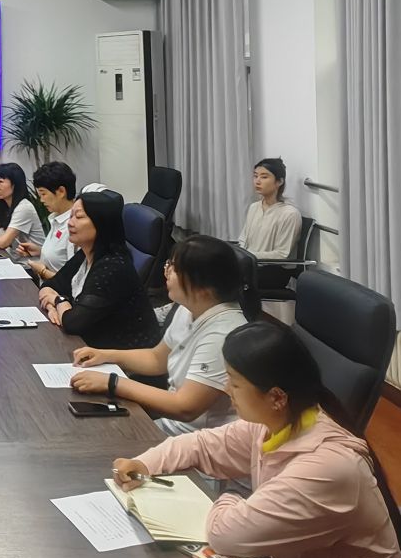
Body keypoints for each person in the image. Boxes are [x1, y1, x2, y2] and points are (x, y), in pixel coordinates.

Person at [112, 322, 401, 558]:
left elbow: (225, 534)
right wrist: (145, 463)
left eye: (235, 382)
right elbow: (202, 445)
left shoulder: (328, 467)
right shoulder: (278, 424)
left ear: (276, 397)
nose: (226, 389)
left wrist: (232, 497)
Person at [71, 235, 245, 434]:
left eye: (175, 269)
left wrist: (112, 383)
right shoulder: (190, 307)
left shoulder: (223, 335)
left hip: (196, 440)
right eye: (169, 264)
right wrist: (106, 355)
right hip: (169, 426)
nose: (167, 272)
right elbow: (157, 359)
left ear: (204, 289)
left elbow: (185, 407)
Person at [35, 188, 164, 359]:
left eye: (79, 217)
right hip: (90, 346)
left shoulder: (112, 268)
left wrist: (58, 300)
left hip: (124, 361)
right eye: (71, 216)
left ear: (101, 223)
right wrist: (53, 306)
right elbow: (50, 285)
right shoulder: (86, 253)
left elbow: (73, 323)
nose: (70, 223)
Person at [15, 160, 77, 281]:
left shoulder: (74, 226)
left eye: (43, 194)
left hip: (58, 291)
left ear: (61, 192)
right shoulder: (56, 219)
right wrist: (40, 251)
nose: (41, 200)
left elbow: (73, 281)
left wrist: (42, 271)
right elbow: (61, 258)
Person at [240, 156, 302, 260]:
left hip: (270, 266)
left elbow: (281, 254)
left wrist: (248, 256)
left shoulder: (290, 214)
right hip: (249, 262)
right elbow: (243, 241)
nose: (257, 181)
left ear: (279, 182)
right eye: (255, 176)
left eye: (264, 177)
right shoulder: (254, 207)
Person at [0, 161, 42, 253]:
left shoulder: (24, 208)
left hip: (31, 261)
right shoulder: (8, 206)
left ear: (15, 184)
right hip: (15, 259)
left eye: (1, 182)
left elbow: (3, 243)